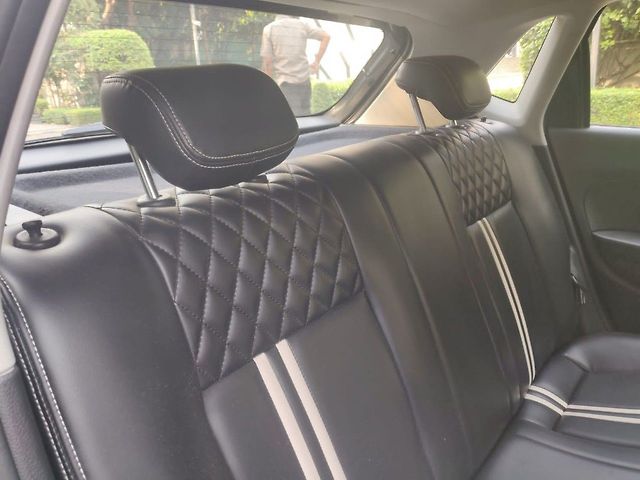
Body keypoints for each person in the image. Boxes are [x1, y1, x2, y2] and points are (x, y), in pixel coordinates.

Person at [261, 15, 330, 116]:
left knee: (291, 119)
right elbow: (326, 36)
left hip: (286, 84)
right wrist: (316, 61)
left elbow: (268, 62)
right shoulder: (302, 25)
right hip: (305, 82)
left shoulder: (269, 29)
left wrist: (268, 88)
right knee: (305, 117)